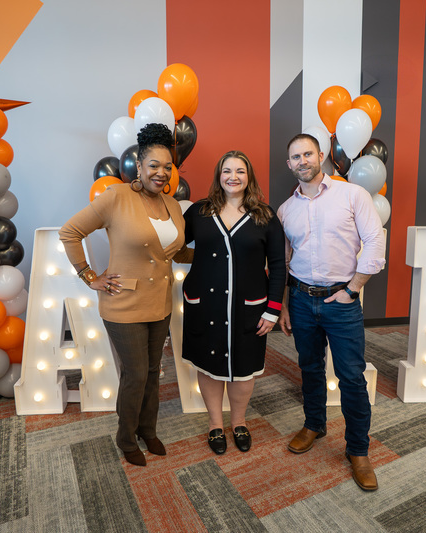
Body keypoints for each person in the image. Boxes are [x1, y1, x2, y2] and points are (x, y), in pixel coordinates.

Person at [59, 123, 191, 467]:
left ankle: (149, 429)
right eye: (154, 166)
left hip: (160, 303)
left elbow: (174, 254)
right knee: (135, 373)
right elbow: (69, 232)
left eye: (167, 167)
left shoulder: (173, 207)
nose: (161, 173)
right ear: (139, 165)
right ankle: (126, 437)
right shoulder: (116, 197)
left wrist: (220, 251)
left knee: (152, 372)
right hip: (123, 303)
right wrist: (90, 276)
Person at [277, 133, 385, 491]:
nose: (303, 160)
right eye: (296, 156)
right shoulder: (285, 209)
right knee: (308, 367)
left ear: (320, 156)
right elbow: (284, 262)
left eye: (308, 153)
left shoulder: (352, 195)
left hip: (341, 299)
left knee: (351, 376)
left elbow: (374, 240)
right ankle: (314, 424)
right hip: (302, 301)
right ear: (289, 164)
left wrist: (353, 289)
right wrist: (285, 305)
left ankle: (358, 450)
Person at [181, 150, 286, 454]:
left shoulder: (265, 216)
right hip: (205, 305)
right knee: (208, 365)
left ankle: (238, 421)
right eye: (227, 171)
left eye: (240, 171)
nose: (233, 177)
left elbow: (278, 266)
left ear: (249, 177)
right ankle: (215, 424)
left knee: (244, 369)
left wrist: (273, 309)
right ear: (219, 176)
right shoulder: (199, 212)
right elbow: (174, 246)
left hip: (250, 307)